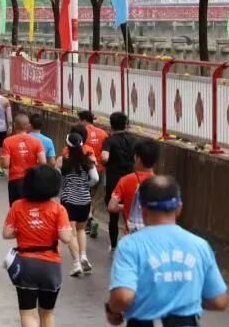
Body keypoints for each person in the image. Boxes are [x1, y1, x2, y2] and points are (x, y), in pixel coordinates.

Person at [106, 175, 229, 327]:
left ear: (143, 209)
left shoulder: (130, 246)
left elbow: (123, 297)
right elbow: (219, 300)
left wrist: (112, 309)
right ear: (179, 208)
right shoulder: (199, 245)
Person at [3, 165, 79, 327]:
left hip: (26, 263)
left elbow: (7, 233)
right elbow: (66, 237)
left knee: (27, 313)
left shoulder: (18, 206)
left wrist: (25, 227)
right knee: (47, 313)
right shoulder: (58, 209)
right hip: (50, 265)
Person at [58, 130, 99, 277]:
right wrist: (85, 185)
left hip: (68, 200)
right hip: (84, 200)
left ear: (67, 146)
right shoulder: (88, 161)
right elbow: (95, 179)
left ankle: (76, 264)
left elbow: (58, 180)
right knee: (81, 230)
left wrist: (65, 186)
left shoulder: (63, 161)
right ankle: (83, 256)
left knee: (71, 232)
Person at [102, 112, 138, 251]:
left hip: (114, 180)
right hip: (131, 179)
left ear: (111, 125)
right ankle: (133, 242)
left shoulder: (109, 141)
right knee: (130, 212)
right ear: (125, 125)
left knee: (113, 215)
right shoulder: (133, 140)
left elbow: (105, 157)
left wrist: (107, 163)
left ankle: (113, 245)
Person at [108, 140, 160, 236]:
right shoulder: (160, 184)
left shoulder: (125, 180)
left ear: (138, 159)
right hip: (152, 236)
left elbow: (112, 207)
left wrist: (127, 206)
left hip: (131, 235)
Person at [1, 114, 47, 205]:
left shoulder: (8, 141)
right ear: (28, 126)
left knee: (16, 207)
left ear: (14, 125)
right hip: (32, 179)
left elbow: (5, 164)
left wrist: (1, 162)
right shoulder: (37, 141)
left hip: (15, 180)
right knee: (31, 207)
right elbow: (43, 161)